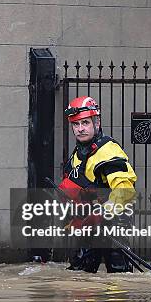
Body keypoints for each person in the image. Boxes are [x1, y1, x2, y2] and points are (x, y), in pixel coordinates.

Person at [59, 96, 137, 273]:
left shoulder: (108, 151)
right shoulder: (77, 155)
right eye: (76, 124)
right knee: (79, 275)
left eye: (85, 123)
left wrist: (103, 212)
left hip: (114, 223)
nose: (80, 129)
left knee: (119, 278)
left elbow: (125, 191)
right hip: (88, 224)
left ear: (97, 122)